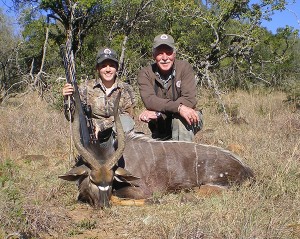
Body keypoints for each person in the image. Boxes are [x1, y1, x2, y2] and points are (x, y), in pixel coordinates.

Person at [137, 33, 203, 141]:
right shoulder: (145, 73)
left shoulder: (185, 68)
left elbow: (189, 99)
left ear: (174, 54)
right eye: (160, 53)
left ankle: (183, 157)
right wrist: (178, 108)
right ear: (154, 55)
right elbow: (150, 101)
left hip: (186, 118)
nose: (164, 58)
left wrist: (160, 112)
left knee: (179, 120)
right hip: (161, 123)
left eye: (168, 53)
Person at [62, 47, 135, 143]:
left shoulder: (126, 89)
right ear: (98, 69)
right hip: (94, 138)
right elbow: (71, 116)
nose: (108, 69)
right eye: (104, 66)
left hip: (118, 138)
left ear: (117, 68)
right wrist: (67, 98)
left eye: (112, 65)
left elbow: (128, 117)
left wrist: (101, 125)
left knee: (126, 124)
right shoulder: (85, 88)